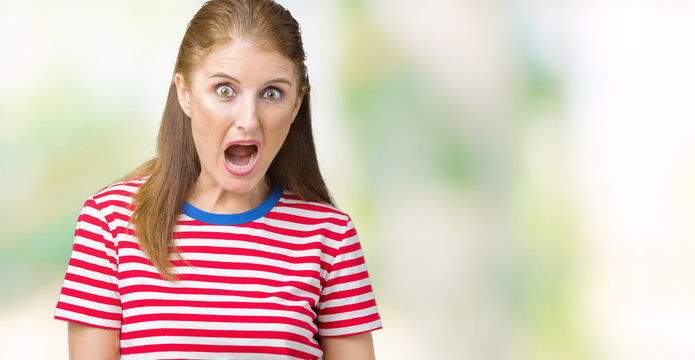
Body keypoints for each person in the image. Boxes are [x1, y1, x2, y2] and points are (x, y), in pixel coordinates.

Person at [54, 1, 382, 359]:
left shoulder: (330, 237)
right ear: (185, 93)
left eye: (272, 93)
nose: (249, 120)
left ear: (296, 105)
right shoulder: (110, 221)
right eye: (225, 90)